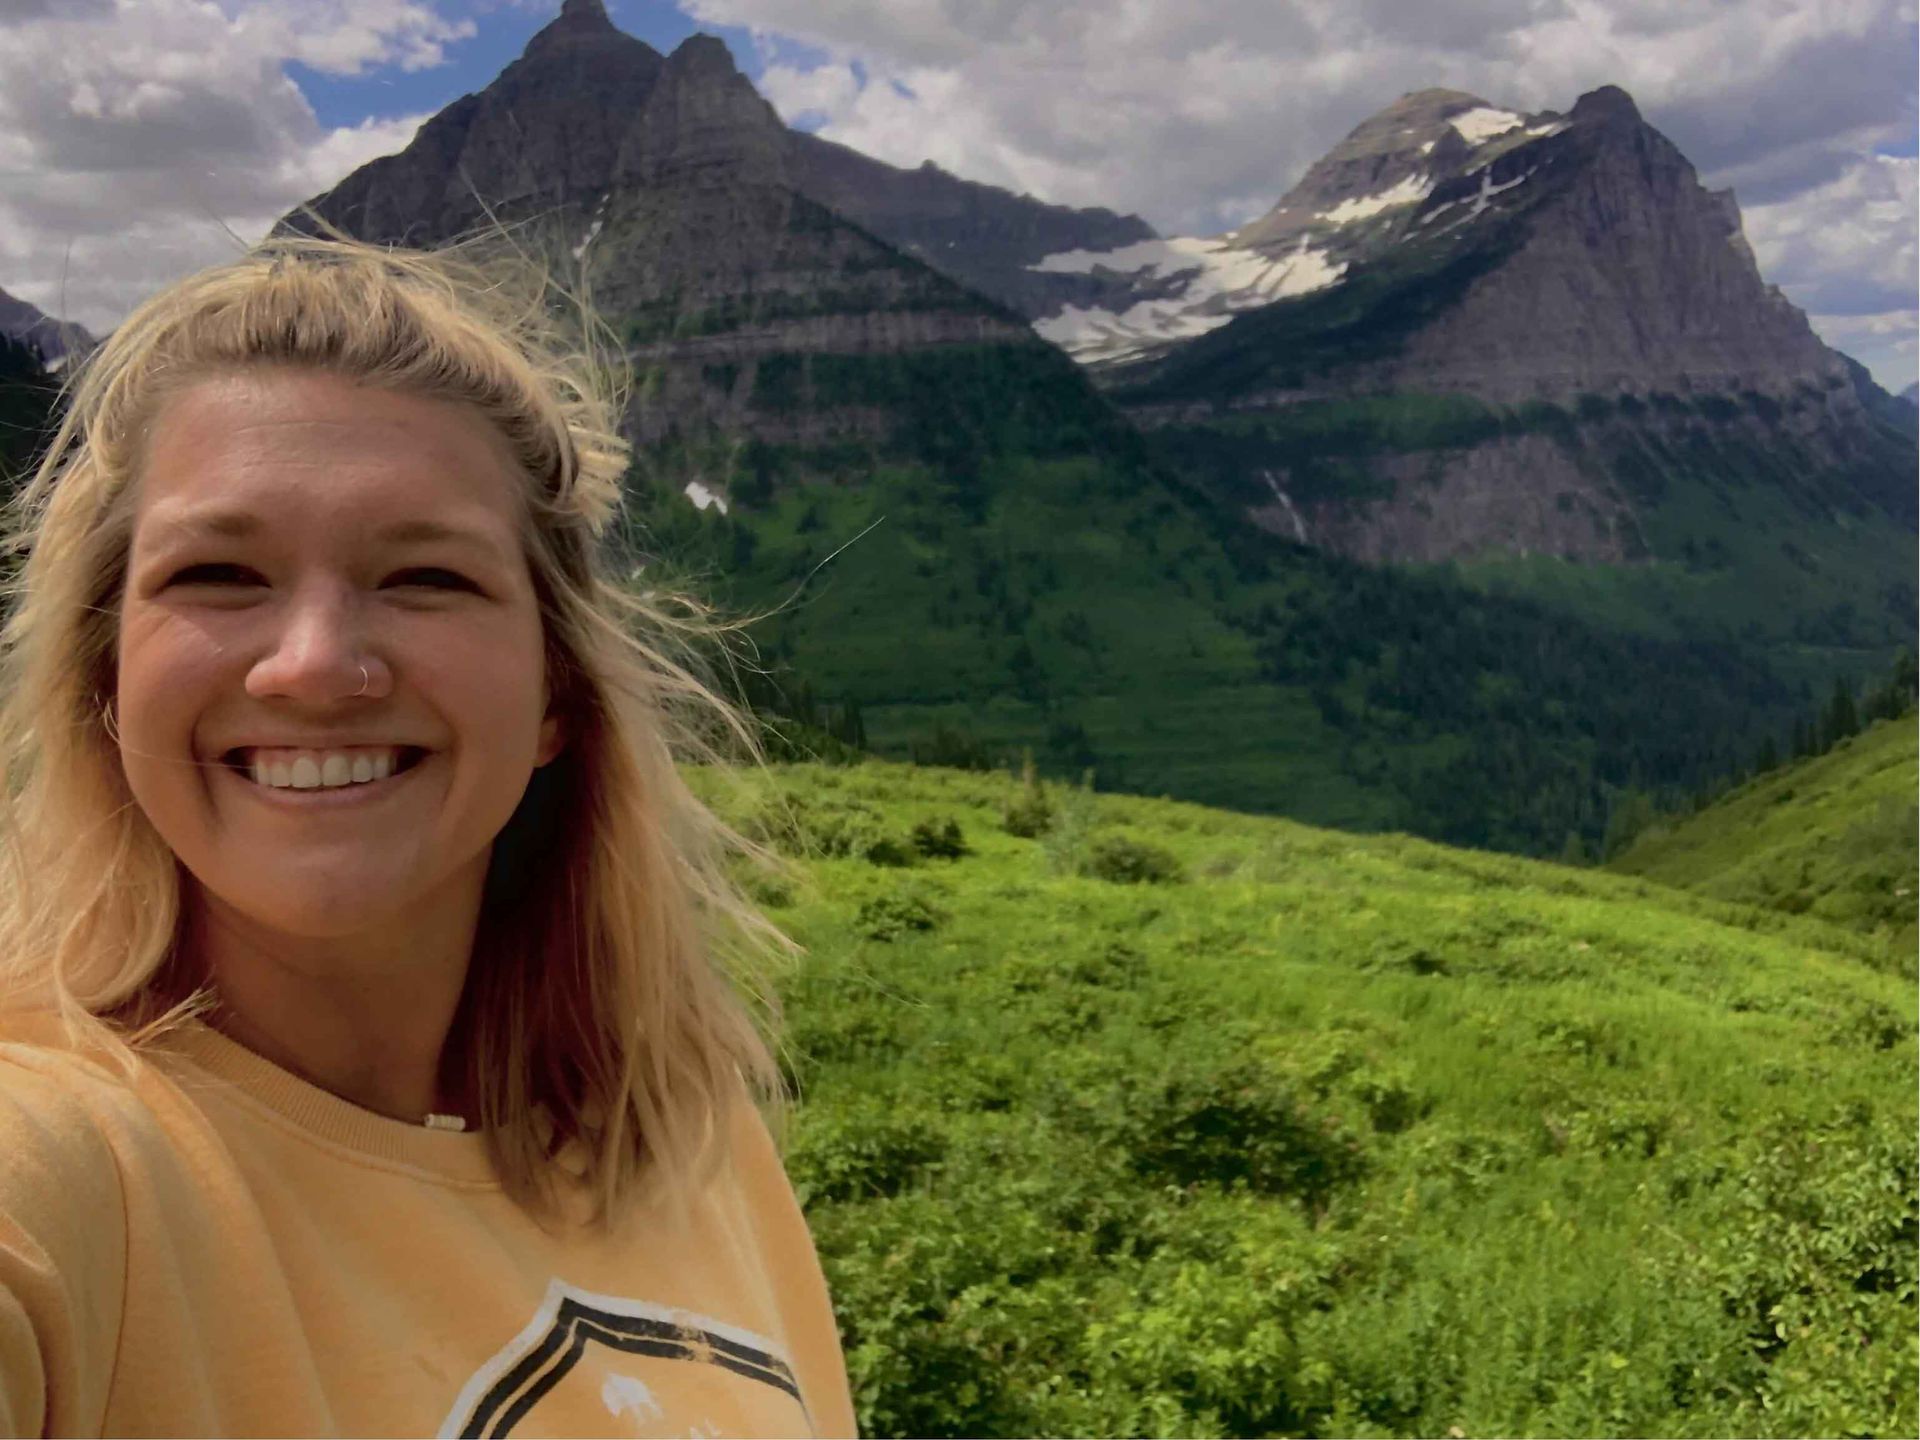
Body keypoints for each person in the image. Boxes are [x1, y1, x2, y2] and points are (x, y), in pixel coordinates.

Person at [0, 237, 857, 1437]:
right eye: (219, 573)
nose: (311, 664)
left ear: (556, 692)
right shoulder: (57, 1176)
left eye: (425, 578)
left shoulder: (689, 1149)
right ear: (107, 678)